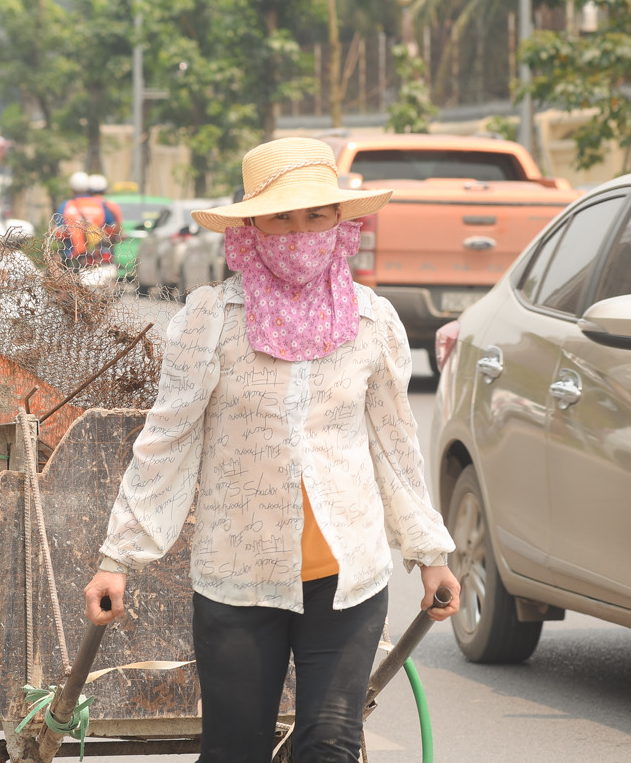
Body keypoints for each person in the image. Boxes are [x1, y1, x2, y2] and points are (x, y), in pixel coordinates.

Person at [83, 137, 460, 763]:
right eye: (282, 216)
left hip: (350, 581)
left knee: (332, 745)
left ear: (341, 221)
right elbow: (168, 444)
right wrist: (118, 556)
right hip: (238, 579)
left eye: (316, 215)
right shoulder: (212, 319)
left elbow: (396, 448)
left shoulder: (373, 322)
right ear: (251, 225)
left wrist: (429, 554)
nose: (300, 232)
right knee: (236, 751)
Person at [52, 170, 119, 267]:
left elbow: (57, 232)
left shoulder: (66, 205)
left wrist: (71, 234)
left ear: (71, 189)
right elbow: (112, 227)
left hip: (72, 256)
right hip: (97, 255)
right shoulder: (100, 205)